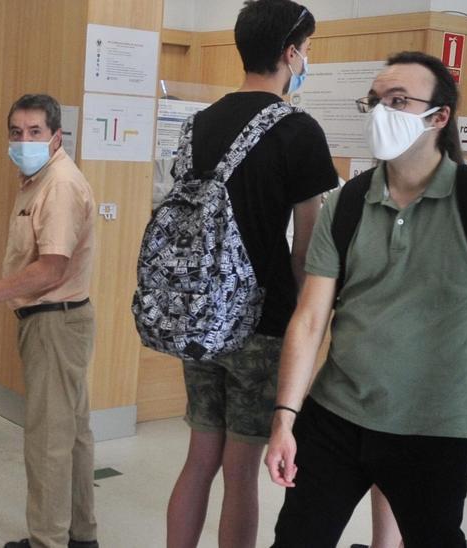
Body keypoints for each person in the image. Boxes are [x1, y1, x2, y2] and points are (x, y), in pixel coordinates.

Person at [265, 51, 467, 546]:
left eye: (397, 101)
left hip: (435, 429)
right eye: (374, 101)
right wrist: (286, 418)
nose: (380, 112)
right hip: (336, 416)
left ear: (440, 117)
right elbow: (310, 319)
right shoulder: (347, 202)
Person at [162, 2, 338, 547]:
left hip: (198, 317)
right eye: (306, 49)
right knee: (241, 471)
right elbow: (307, 251)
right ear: (290, 52)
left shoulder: (196, 126)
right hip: (263, 324)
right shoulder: (299, 130)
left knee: (198, 459)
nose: (306, 58)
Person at [0, 94, 98, 548]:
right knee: (71, 434)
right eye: (16, 131)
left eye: (35, 132)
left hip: (57, 320)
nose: (24, 139)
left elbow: (51, 267)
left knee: (50, 441)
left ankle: (48, 541)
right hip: (55, 320)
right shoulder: (37, 178)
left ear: (56, 136)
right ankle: (79, 536)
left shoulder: (60, 184)